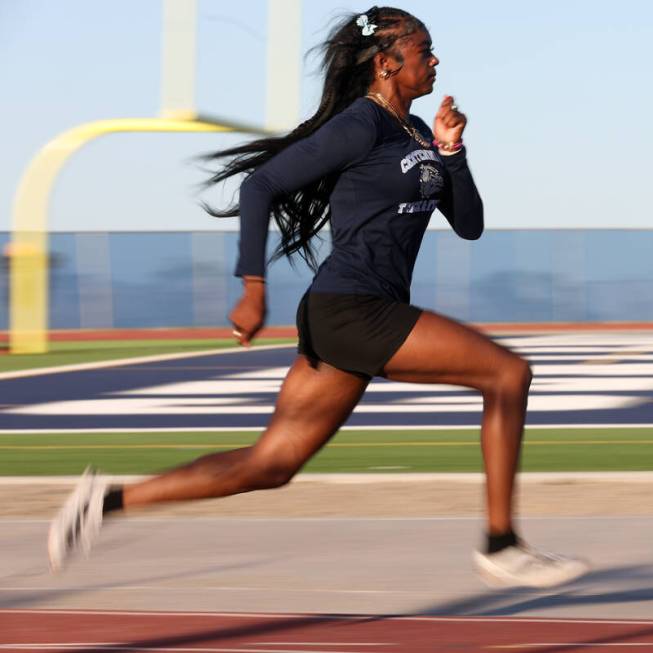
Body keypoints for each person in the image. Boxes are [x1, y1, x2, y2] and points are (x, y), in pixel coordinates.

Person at [47, 6, 587, 589]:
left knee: (272, 465)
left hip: (352, 313)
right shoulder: (361, 124)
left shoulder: (415, 131)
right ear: (386, 63)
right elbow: (261, 185)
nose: (435, 61)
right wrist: (252, 287)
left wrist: (452, 152)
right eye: (424, 50)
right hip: (351, 308)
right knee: (507, 374)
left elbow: (470, 224)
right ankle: (501, 543)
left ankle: (105, 501)